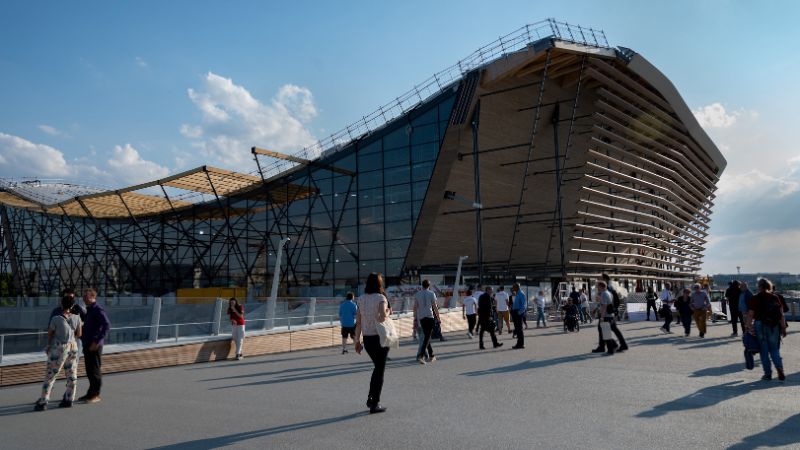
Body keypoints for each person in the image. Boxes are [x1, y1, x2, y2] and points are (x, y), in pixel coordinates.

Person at [34, 295, 83, 411]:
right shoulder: (77, 317)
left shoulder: (56, 318)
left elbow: (50, 333)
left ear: (61, 304)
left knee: (51, 375)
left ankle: (43, 401)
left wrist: (49, 345)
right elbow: (79, 334)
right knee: (72, 374)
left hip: (59, 347)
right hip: (73, 346)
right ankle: (69, 399)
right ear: (72, 305)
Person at [354, 273, 390, 414]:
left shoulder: (361, 299)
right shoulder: (381, 298)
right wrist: (387, 311)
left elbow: (359, 322)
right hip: (380, 338)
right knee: (379, 370)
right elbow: (382, 318)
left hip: (368, 339)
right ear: (379, 283)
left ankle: (371, 398)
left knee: (377, 368)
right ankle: (374, 403)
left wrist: (357, 341)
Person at [746, 278, 787, 381]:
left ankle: (768, 374)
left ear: (759, 287)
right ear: (769, 286)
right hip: (773, 325)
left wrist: (748, 326)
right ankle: (779, 368)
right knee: (774, 349)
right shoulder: (775, 297)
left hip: (760, 325)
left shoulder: (755, 298)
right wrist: (783, 327)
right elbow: (781, 314)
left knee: (764, 351)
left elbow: (750, 314)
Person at [78, 288, 110, 404]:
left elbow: (106, 325)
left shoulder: (97, 309)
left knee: (94, 370)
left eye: (86, 296)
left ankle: (96, 394)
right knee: (89, 370)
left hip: (94, 345)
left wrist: (97, 341)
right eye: (83, 296)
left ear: (93, 297)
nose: (84, 298)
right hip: (88, 343)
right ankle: (90, 393)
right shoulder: (89, 310)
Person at [592, 281, 628, 355]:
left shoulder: (604, 294)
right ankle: (614, 346)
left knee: (605, 332)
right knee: (608, 331)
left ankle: (611, 347)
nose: (597, 288)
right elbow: (603, 304)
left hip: (606, 316)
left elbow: (604, 306)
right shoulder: (608, 293)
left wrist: (601, 317)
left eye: (598, 286)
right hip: (610, 315)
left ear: (601, 286)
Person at [413, 279, 440, 364]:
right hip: (430, 316)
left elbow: (415, 307)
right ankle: (421, 356)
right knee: (427, 336)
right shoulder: (432, 293)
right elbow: (435, 307)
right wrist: (438, 318)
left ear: (422, 285)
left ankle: (432, 355)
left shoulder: (417, 294)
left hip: (421, 317)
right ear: (429, 285)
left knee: (426, 336)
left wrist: (415, 318)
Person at [511, 283, 526, 349]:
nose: (512, 289)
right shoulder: (517, 293)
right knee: (517, 328)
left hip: (518, 313)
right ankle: (519, 343)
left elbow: (524, 305)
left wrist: (519, 313)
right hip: (515, 312)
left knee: (519, 329)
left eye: (513, 287)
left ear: (516, 287)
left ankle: (520, 344)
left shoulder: (521, 294)